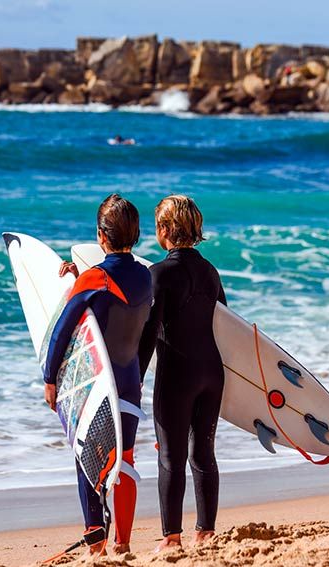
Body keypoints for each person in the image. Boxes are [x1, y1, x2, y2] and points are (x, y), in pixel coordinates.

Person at [46, 194, 152, 555]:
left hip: (99, 390)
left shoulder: (96, 278)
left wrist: (49, 379)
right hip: (131, 385)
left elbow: (63, 330)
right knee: (124, 461)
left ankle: (97, 546)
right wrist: (79, 278)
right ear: (135, 236)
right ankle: (123, 543)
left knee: (88, 461)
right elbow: (114, 310)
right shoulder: (145, 276)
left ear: (100, 237)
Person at [137, 195, 226, 551]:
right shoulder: (210, 271)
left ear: (164, 230)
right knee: (203, 452)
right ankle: (206, 531)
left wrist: (136, 377)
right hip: (212, 373)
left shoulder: (158, 274)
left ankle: (172, 537)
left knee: (171, 455)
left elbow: (148, 331)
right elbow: (225, 323)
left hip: (177, 374)